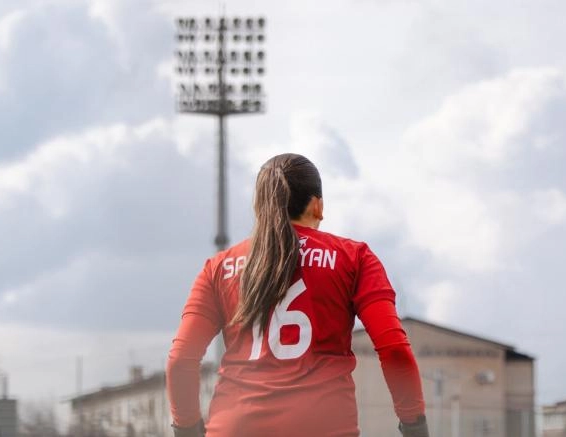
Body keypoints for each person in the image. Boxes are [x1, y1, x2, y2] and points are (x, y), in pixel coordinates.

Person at [167, 153, 429, 437]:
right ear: (318, 206)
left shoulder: (219, 267)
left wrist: (186, 429)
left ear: (259, 207)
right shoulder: (354, 257)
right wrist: (414, 426)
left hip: (235, 426)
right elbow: (394, 350)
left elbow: (181, 360)